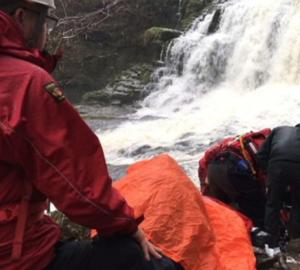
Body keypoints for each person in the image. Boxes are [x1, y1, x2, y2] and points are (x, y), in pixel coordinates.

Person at [0, 1, 180, 269]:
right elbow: (78, 184)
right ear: (22, 17)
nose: (47, 33)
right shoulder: (26, 83)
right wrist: (129, 227)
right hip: (18, 256)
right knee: (139, 258)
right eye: (46, 23)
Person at [256, 122, 300, 259]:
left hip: (277, 165)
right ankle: (298, 245)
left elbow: (261, 155)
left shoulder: (278, 130)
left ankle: (272, 245)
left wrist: (270, 174)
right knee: (299, 206)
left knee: (273, 205)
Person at [198, 128, 271, 227]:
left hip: (214, 169)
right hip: (233, 170)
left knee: (219, 212)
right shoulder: (267, 147)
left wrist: (205, 191)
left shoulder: (237, 140)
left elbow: (204, 162)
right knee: (257, 211)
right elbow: (265, 179)